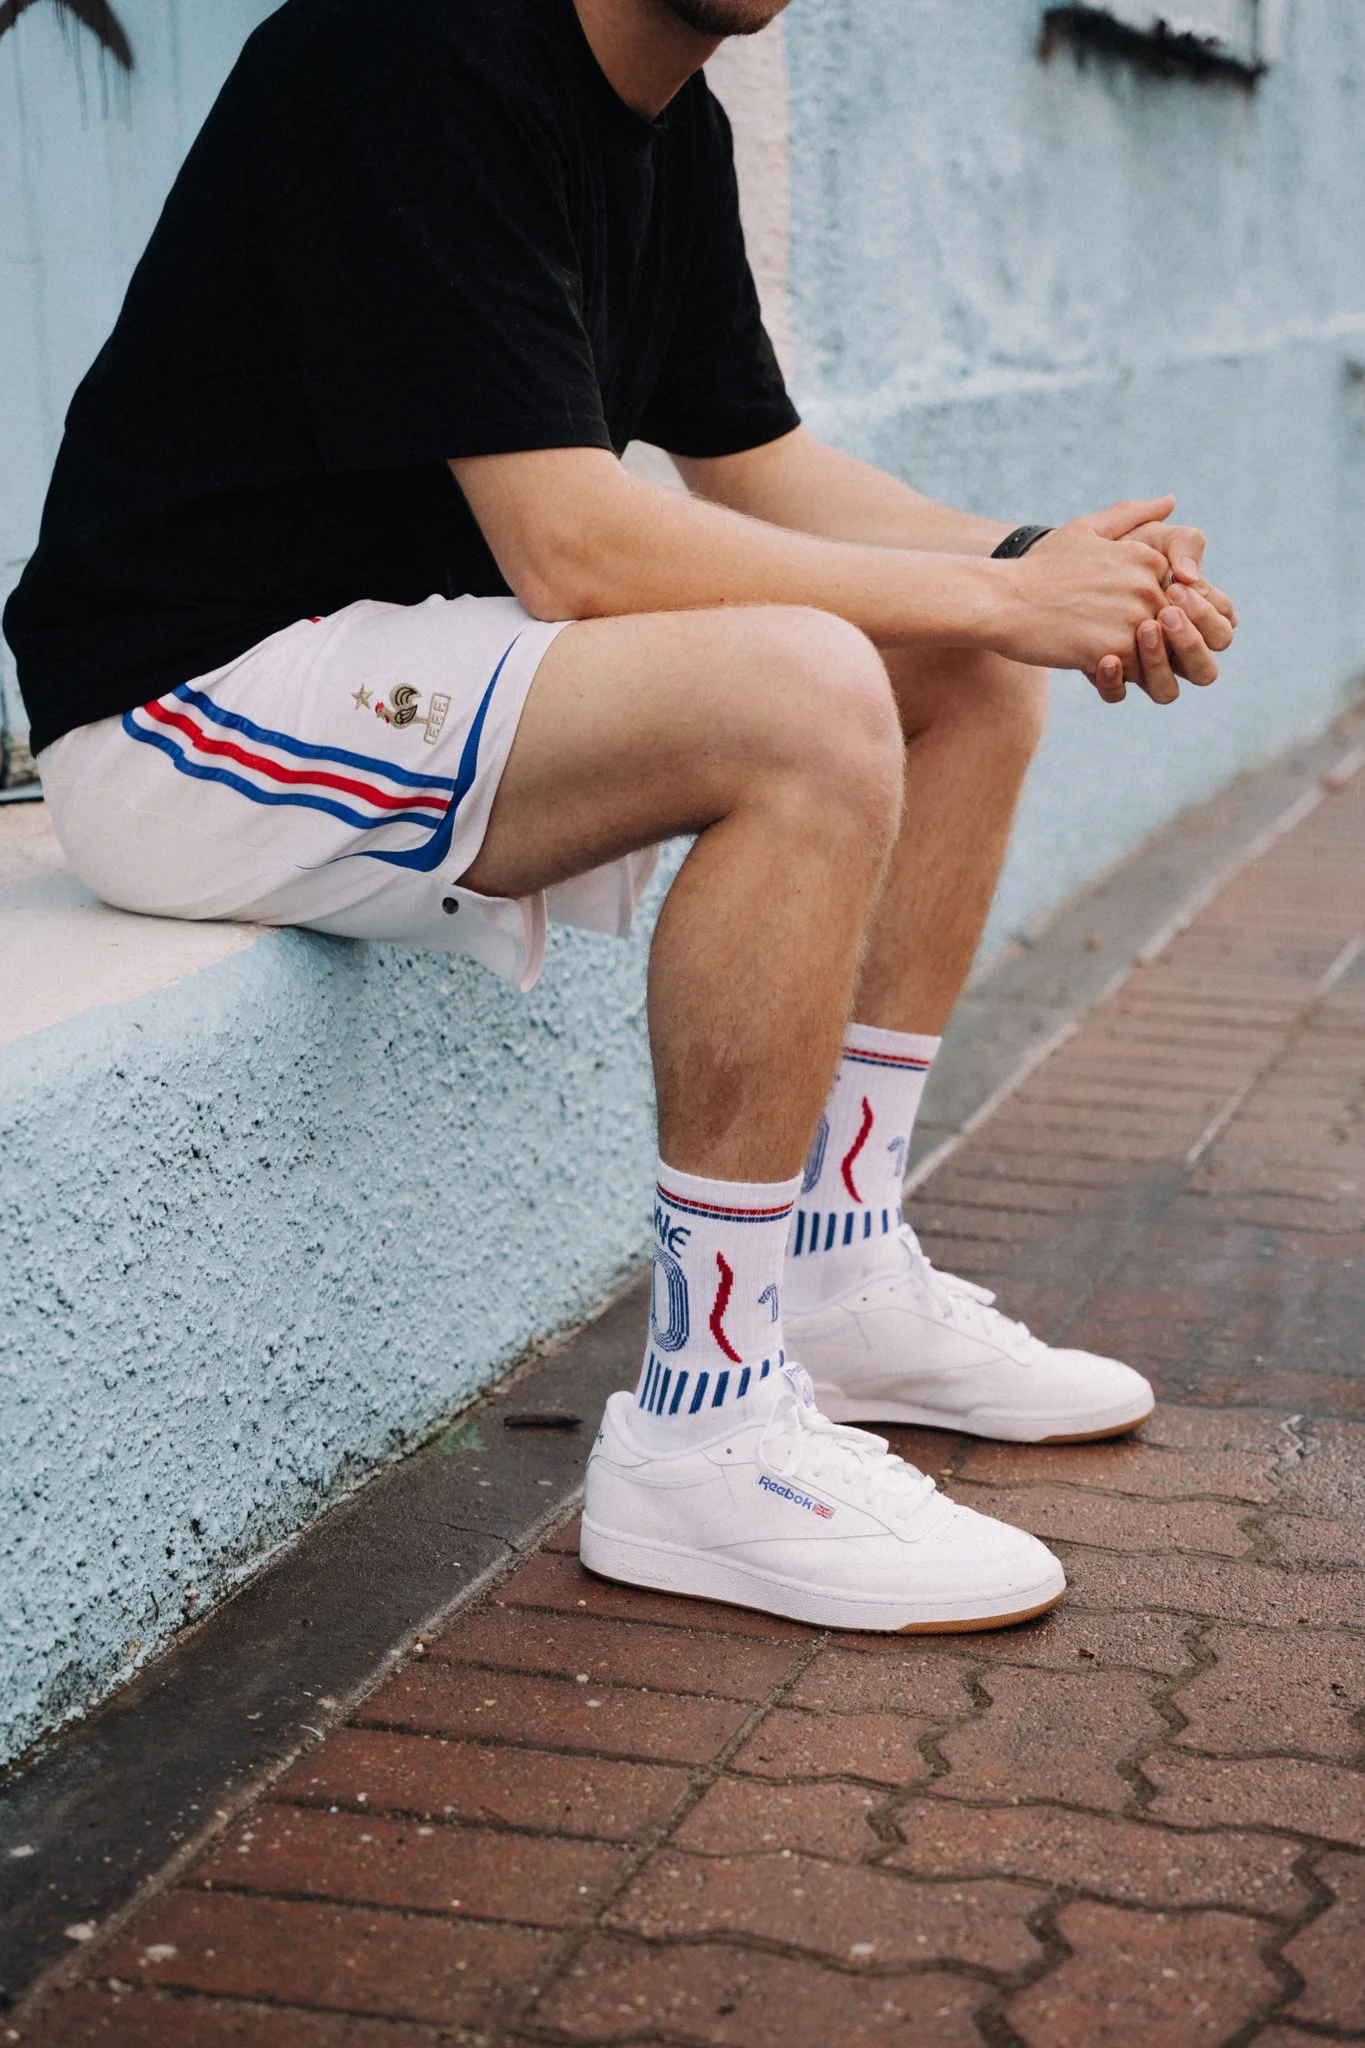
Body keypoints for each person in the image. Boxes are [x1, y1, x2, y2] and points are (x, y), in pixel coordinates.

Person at [5, 0, 1237, 1634]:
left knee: (965, 668)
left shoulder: (675, 124)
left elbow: (760, 466)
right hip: (186, 714)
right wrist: (996, 592)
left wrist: (1034, 573)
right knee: (809, 691)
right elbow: (574, 552)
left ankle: (841, 1269)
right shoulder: (413, 51)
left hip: (395, 667)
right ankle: (707, 1427)